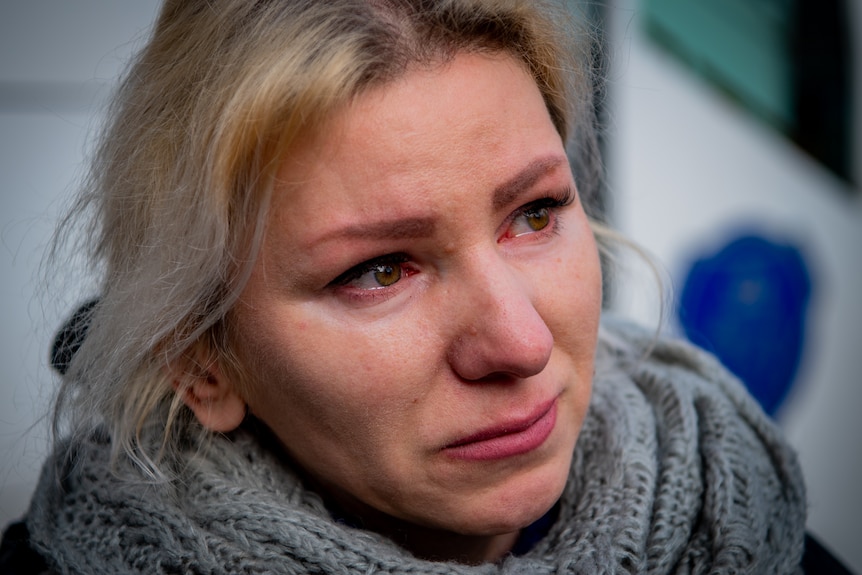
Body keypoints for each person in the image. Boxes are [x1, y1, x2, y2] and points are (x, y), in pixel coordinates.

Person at [0, 0, 814, 572]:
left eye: (534, 214)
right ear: (201, 362)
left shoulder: (740, 519)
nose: (523, 344)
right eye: (379, 270)